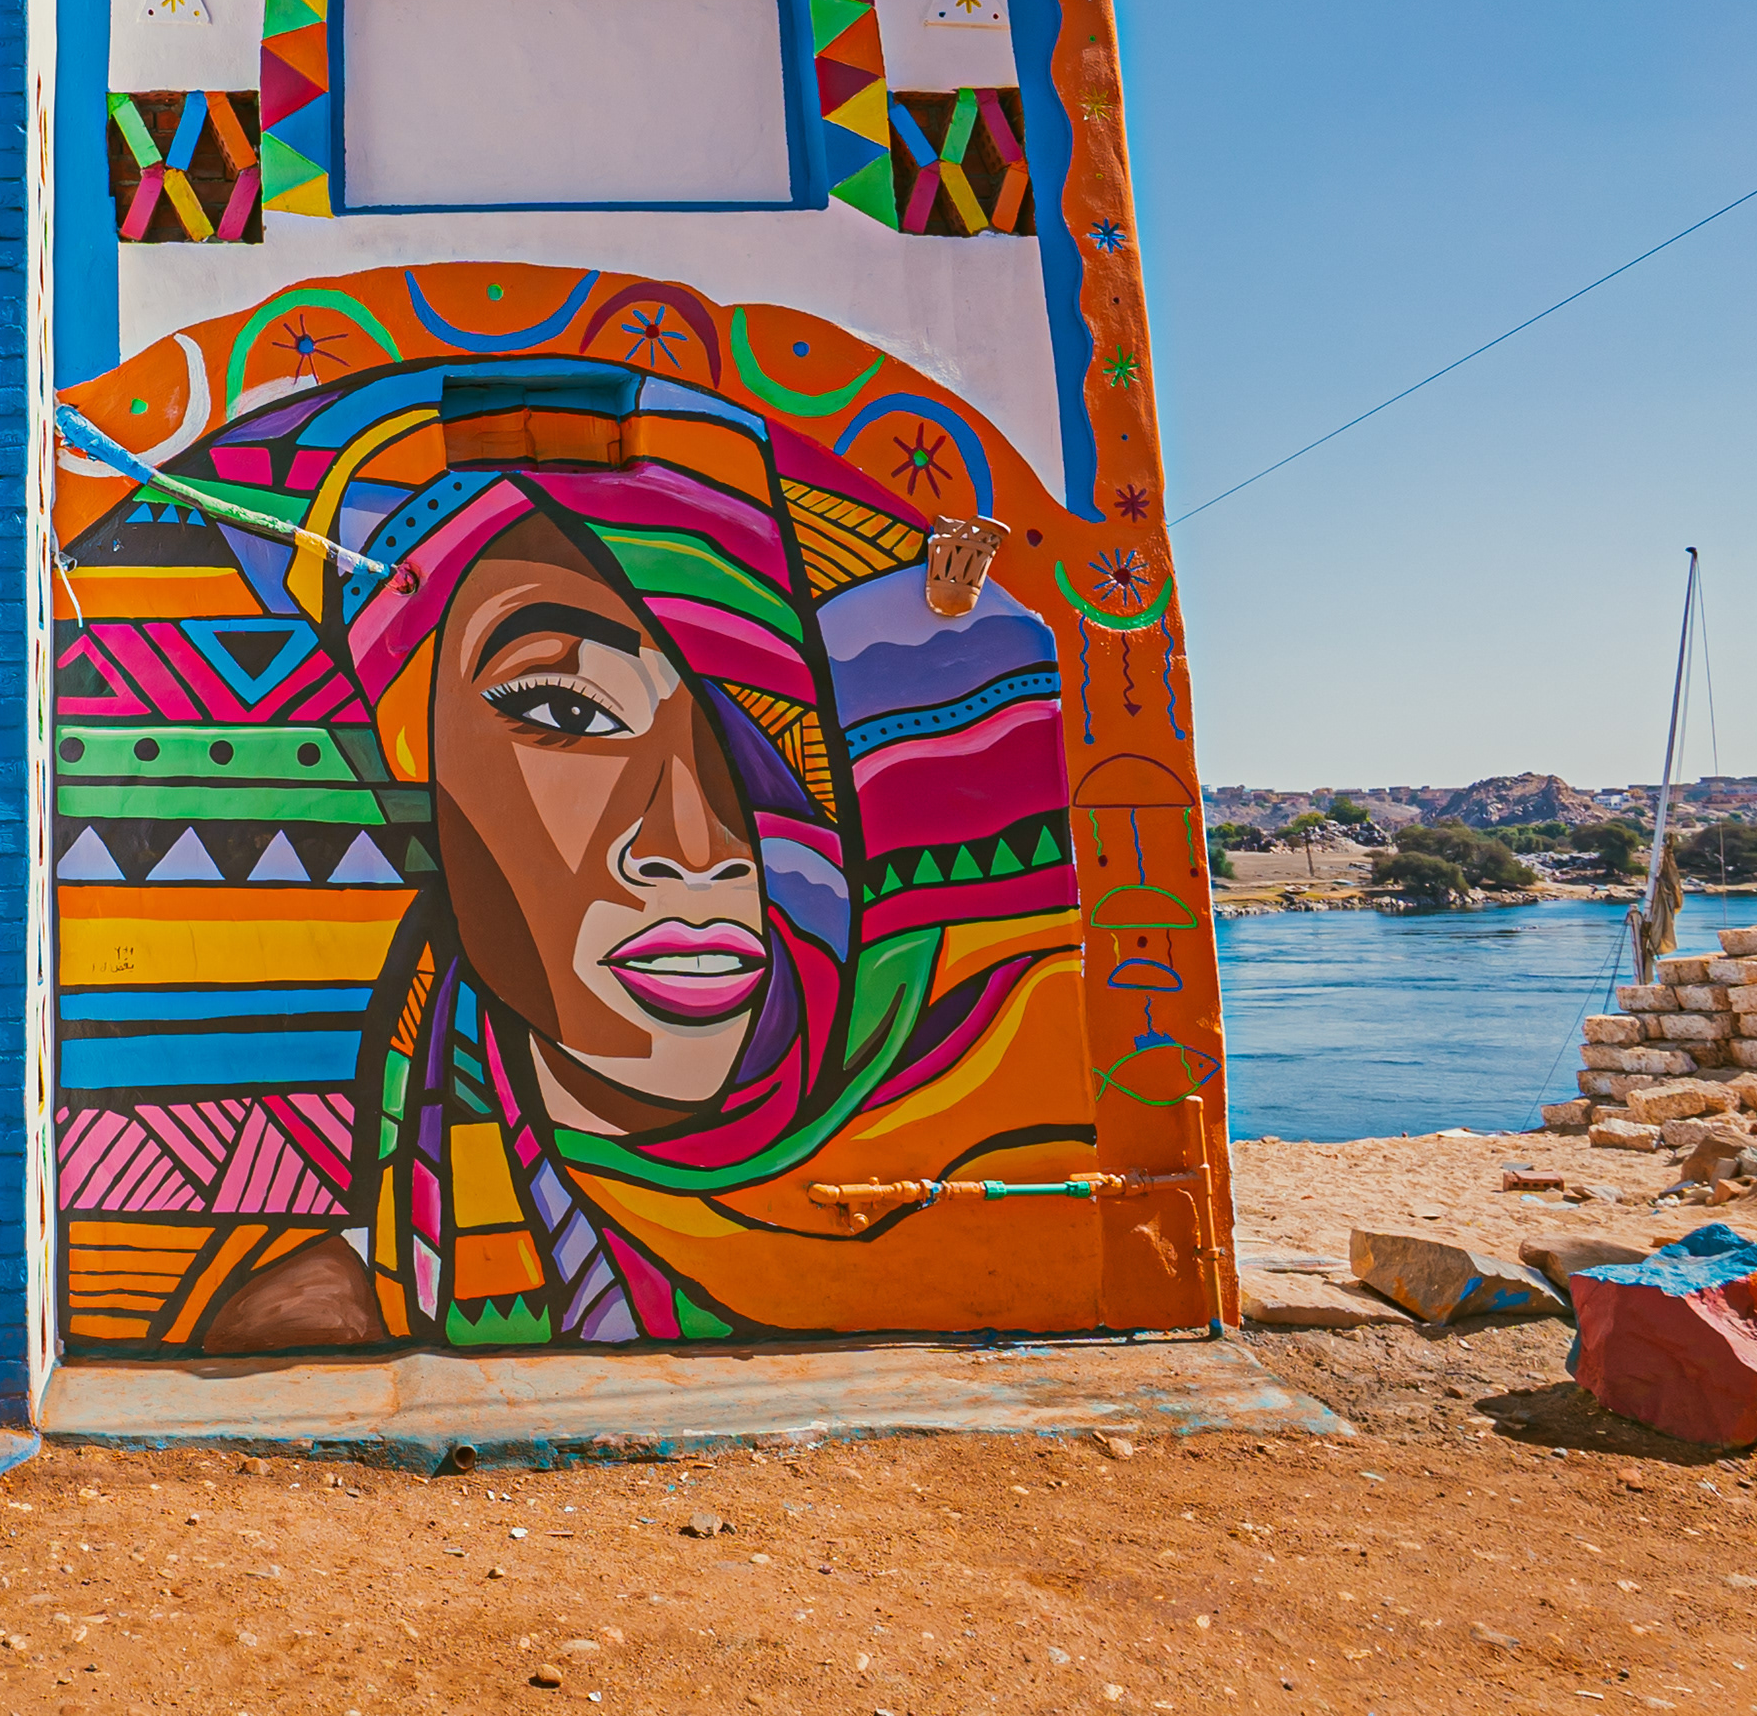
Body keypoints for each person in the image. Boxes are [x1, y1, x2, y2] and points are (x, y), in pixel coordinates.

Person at [70, 357, 1100, 1352]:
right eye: (567, 712)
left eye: (755, 741)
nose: (692, 848)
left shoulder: (992, 1118)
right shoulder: (317, 1308)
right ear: (415, 748)